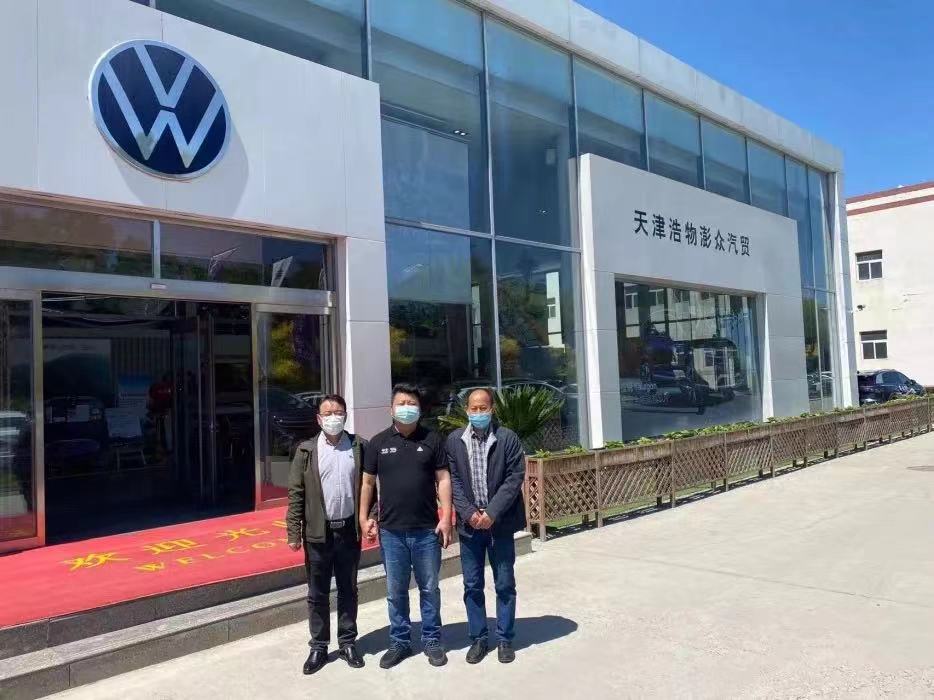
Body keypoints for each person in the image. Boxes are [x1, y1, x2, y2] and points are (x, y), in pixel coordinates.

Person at [359, 383, 453, 669]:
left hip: (426, 530)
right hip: (391, 532)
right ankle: (399, 641)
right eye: (401, 403)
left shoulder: (433, 440)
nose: (406, 408)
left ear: (420, 409)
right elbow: (368, 482)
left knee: (429, 588)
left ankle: (432, 639)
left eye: (411, 403)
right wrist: (363, 517)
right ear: (391, 409)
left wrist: (446, 517)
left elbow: (443, 479)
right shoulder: (377, 443)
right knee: (395, 591)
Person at [286, 394, 368, 675]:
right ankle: (319, 646)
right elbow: (296, 493)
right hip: (318, 534)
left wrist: (370, 518)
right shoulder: (306, 451)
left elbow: (369, 488)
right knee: (317, 592)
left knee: (348, 589)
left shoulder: (359, 446)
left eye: (338, 412)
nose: (334, 417)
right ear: (319, 419)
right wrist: (293, 531)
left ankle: (347, 642)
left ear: (345, 415)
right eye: (328, 413)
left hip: (348, 532)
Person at [446, 387, 526, 664]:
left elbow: (514, 478)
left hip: (499, 524)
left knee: (504, 583)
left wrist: (492, 512)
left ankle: (505, 638)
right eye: (474, 408)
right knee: (472, 585)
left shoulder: (507, 438)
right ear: (466, 410)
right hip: (470, 526)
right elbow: (453, 480)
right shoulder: (455, 440)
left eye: (483, 408)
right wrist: (469, 513)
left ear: (492, 409)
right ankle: (478, 638)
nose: (478, 412)